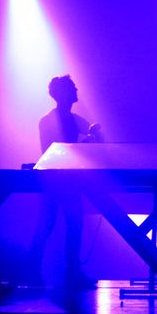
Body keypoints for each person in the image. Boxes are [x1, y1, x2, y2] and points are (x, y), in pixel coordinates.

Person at [25, 75, 102, 289]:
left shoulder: (74, 119)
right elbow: (52, 150)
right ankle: (38, 271)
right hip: (54, 179)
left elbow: (93, 135)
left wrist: (93, 136)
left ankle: (62, 272)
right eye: (73, 88)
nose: (77, 90)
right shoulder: (48, 121)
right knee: (50, 224)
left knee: (68, 224)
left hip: (67, 180)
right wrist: (87, 142)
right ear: (63, 93)